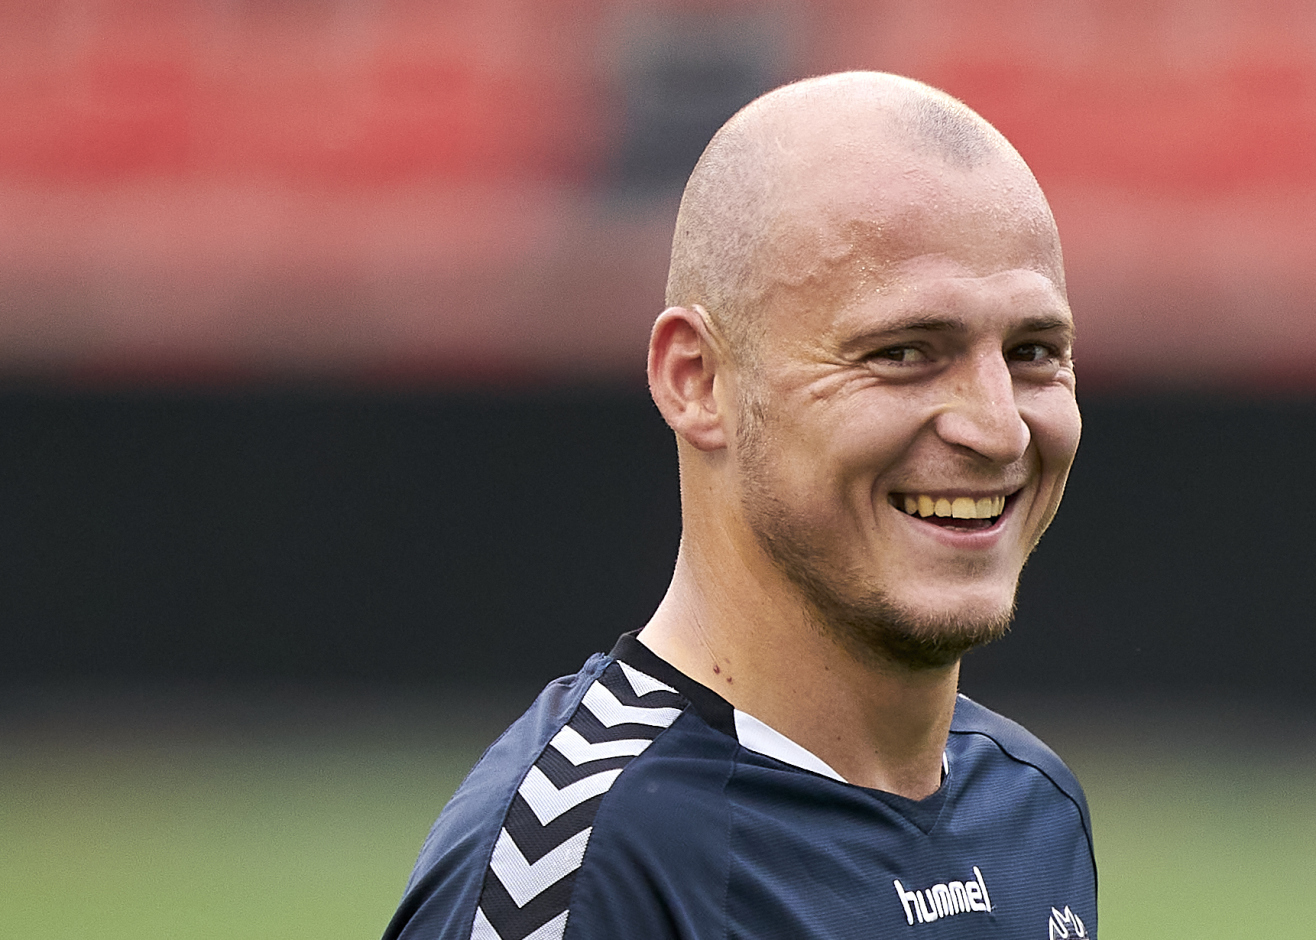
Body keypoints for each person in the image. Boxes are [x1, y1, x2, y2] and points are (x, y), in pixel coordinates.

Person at [383, 70, 1093, 940]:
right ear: (698, 380)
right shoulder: (583, 872)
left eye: (1033, 352)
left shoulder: (1033, 810)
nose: (998, 428)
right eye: (904, 351)